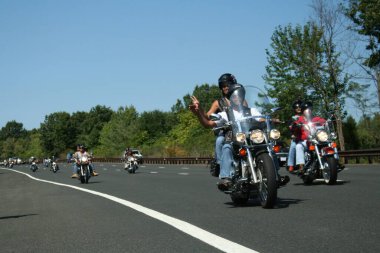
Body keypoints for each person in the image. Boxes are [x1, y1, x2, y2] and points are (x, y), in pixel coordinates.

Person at [190, 83, 262, 190]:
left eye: (239, 95)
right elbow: (208, 124)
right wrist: (198, 114)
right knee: (226, 147)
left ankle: (274, 173)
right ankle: (227, 178)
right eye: (234, 96)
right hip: (236, 142)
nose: (237, 97)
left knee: (268, 144)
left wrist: (272, 120)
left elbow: (262, 119)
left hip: (251, 140)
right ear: (230, 98)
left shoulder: (252, 111)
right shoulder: (225, 114)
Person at [206, 73, 236, 176]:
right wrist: (203, 113)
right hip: (225, 131)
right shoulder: (218, 103)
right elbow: (208, 115)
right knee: (219, 141)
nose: (226, 87)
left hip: (240, 130)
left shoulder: (240, 100)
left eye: (228, 85)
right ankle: (220, 164)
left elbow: (248, 112)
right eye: (223, 86)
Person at [291, 101, 326, 173]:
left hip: (316, 139)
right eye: (306, 109)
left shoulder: (315, 118)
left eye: (310, 109)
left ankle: (335, 161)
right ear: (303, 111)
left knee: (330, 143)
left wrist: (326, 122)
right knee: (298, 146)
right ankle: (301, 165)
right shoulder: (300, 119)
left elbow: (323, 120)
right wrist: (295, 125)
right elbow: (294, 125)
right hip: (305, 140)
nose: (308, 111)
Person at [287, 99, 303, 172]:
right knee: (293, 147)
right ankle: (291, 164)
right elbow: (290, 127)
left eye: (300, 107)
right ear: (294, 109)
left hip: (307, 136)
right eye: (297, 107)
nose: (298, 108)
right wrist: (292, 135)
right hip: (296, 137)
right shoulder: (293, 118)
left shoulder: (306, 116)